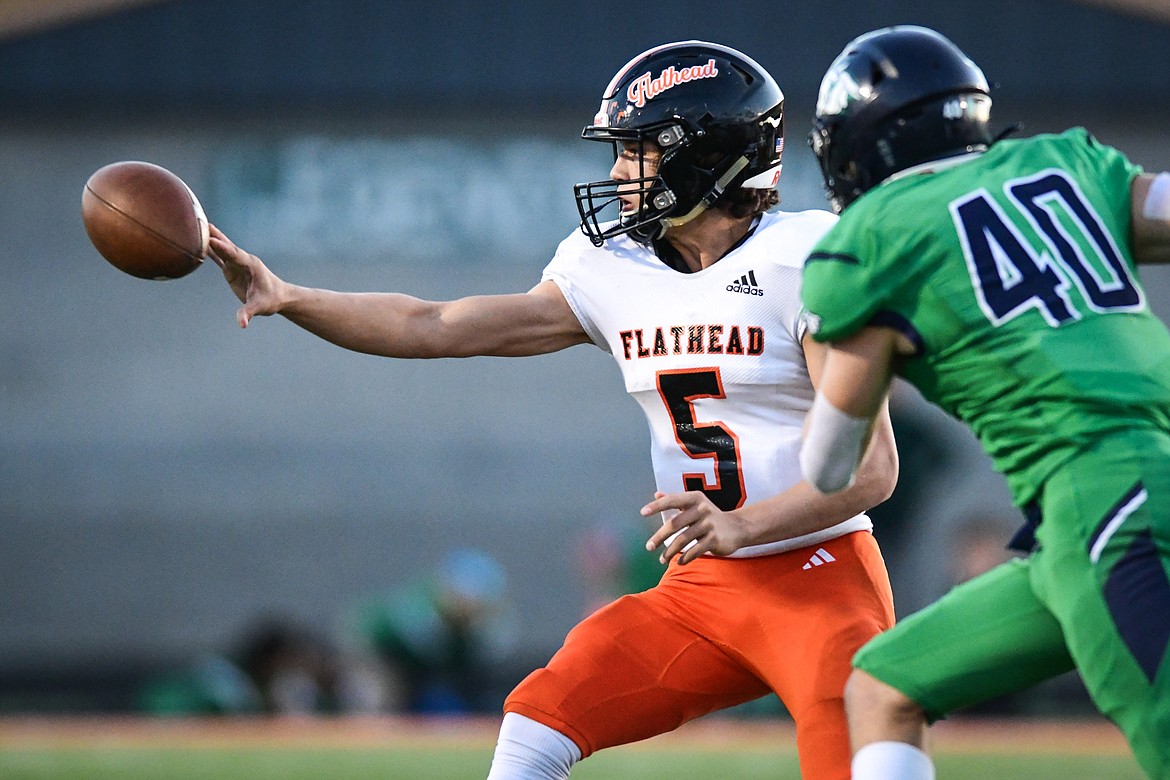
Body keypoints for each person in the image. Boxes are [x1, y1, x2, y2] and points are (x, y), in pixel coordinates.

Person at [208, 41, 899, 780]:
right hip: (702, 588)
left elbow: (874, 471)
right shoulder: (614, 267)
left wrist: (742, 524)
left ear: (706, 156)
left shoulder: (809, 258)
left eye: (637, 152)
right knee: (539, 721)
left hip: (819, 577)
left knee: (857, 761)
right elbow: (432, 325)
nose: (616, 174)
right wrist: (290, 296)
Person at [798, 25, 1170, 780]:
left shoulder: (872, 236)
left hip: (1108, 500)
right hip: (1085, 517)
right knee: (884, 685)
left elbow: (830, 465)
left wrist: (828, 349)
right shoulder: (1063, 163)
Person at [342, 547, 518, 714]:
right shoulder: (420, 612)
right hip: (381, 658)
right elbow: (428, 650)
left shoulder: (488, 625)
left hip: (428, 671)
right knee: (380, 694)